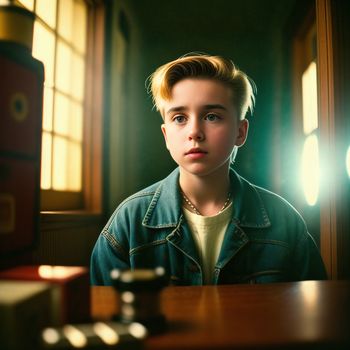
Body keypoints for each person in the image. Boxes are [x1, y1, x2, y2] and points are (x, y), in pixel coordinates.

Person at [90, 53, 327, 285]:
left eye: (212, 116)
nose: (194, 132)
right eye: (180, 118)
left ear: (240, 132)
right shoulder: (128, 222)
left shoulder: (285, 222)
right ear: (166, 135)